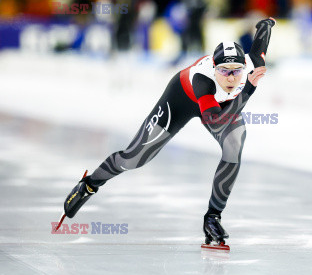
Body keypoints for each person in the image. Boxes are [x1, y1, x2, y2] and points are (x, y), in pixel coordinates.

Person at [59, 17, 276, 248]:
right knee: (135, 158)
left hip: (220, 106)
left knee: (234, 143)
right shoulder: (203, 79)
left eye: (236, 71)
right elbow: (213, 119)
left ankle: (213, 218)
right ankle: (90, 184)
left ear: (245, 66)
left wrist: (266, 25)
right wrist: (248, 90)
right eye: (224, 71)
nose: (231, 78)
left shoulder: (252, 65)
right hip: (181, 99)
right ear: (214, 68)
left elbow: (260, 44)